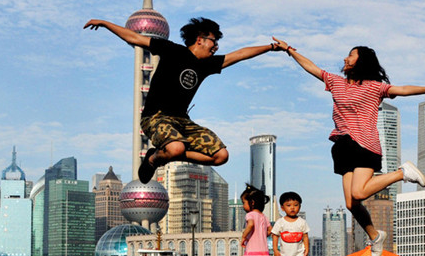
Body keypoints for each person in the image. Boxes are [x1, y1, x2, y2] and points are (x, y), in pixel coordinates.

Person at [272, 38, 425, 256]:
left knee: (358, 192)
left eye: (351, 55)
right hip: (342, 145)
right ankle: (375, 236)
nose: (345, 58)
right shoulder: (336, 82)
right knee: (351, 203)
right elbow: (312, 68)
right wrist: (289, 50)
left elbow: (403, 89)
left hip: (365, 143)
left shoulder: (375, 87)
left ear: (361, 61)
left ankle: (402, 173)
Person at [84, 17, 283, 184]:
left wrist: (271, 47)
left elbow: (239, 55)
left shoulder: (207, 64)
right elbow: (135, 37)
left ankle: (170, 152)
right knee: (176, 147)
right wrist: (105, 24)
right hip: (155, 117)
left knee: (221, 156)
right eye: (213, 41)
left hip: (182, 122)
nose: (216, 47)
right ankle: (154, 159)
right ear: (200, 39)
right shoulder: (172, 50)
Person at [238, 185, 275, 256]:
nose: (243, 206)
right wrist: (262, 235)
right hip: (264, 251)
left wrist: (244, 236)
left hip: (253, 250)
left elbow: (250, 225)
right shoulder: (264, 216)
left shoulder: (250, 215)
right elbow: (270, 230)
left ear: (252, 203)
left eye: (244, 203)